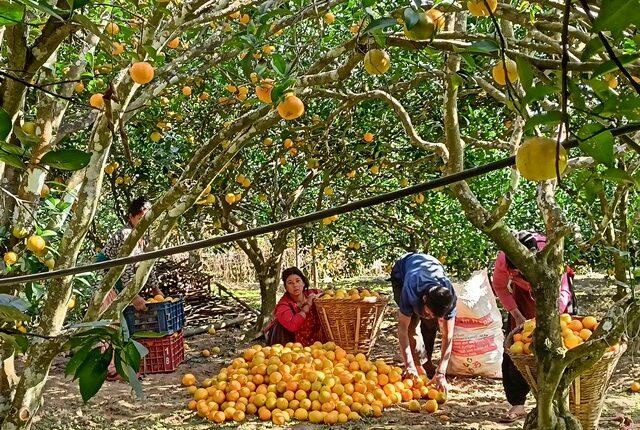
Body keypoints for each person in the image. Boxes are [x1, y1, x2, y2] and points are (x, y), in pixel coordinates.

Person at [492, 231, 574, 423]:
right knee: (516, 346)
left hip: (552, 291)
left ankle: (561, 403)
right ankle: (517, 402)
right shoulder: (504, 259)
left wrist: (551, 316)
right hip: (523, 295)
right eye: (515, 273)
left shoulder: (550, 252)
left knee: (562, 343)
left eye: (522, 271)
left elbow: (563, 290)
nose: (518, 274)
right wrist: (517, 315)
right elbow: (501, 287)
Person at [390, 252, 457, 394]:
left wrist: (442, 372)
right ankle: (417, 365)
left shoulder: (449, 297)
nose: (431, 315)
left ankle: (427, 363)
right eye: (430, 312)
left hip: (431, 264)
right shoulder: (411, 288)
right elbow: (403, 327)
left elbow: (448, 336)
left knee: (430, 324)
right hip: (402, 272)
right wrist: (409, 364)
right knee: (412, 325)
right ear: (424, 299)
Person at [98, 196, 163, 314]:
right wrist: (133, 297)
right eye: (140, 218)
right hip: (107, 277)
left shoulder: (145, 237)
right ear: (131, 217)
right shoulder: (127, 235)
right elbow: (124, 268)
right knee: (111, 319)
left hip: (120, 279)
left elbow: (147, 265)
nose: (145, 222)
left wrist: (155, 288)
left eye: (148, 218)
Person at [266, 267, 324, 346]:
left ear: (303, 283)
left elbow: (330, 298)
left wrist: (319, 296)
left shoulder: (314, 293)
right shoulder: (283, 304)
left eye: (298, 281)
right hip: (292, 346)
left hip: (319, 345)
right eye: (290, 282)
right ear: (286, 287)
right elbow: (293, 325)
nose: (295, 285)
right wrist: (307, 305)